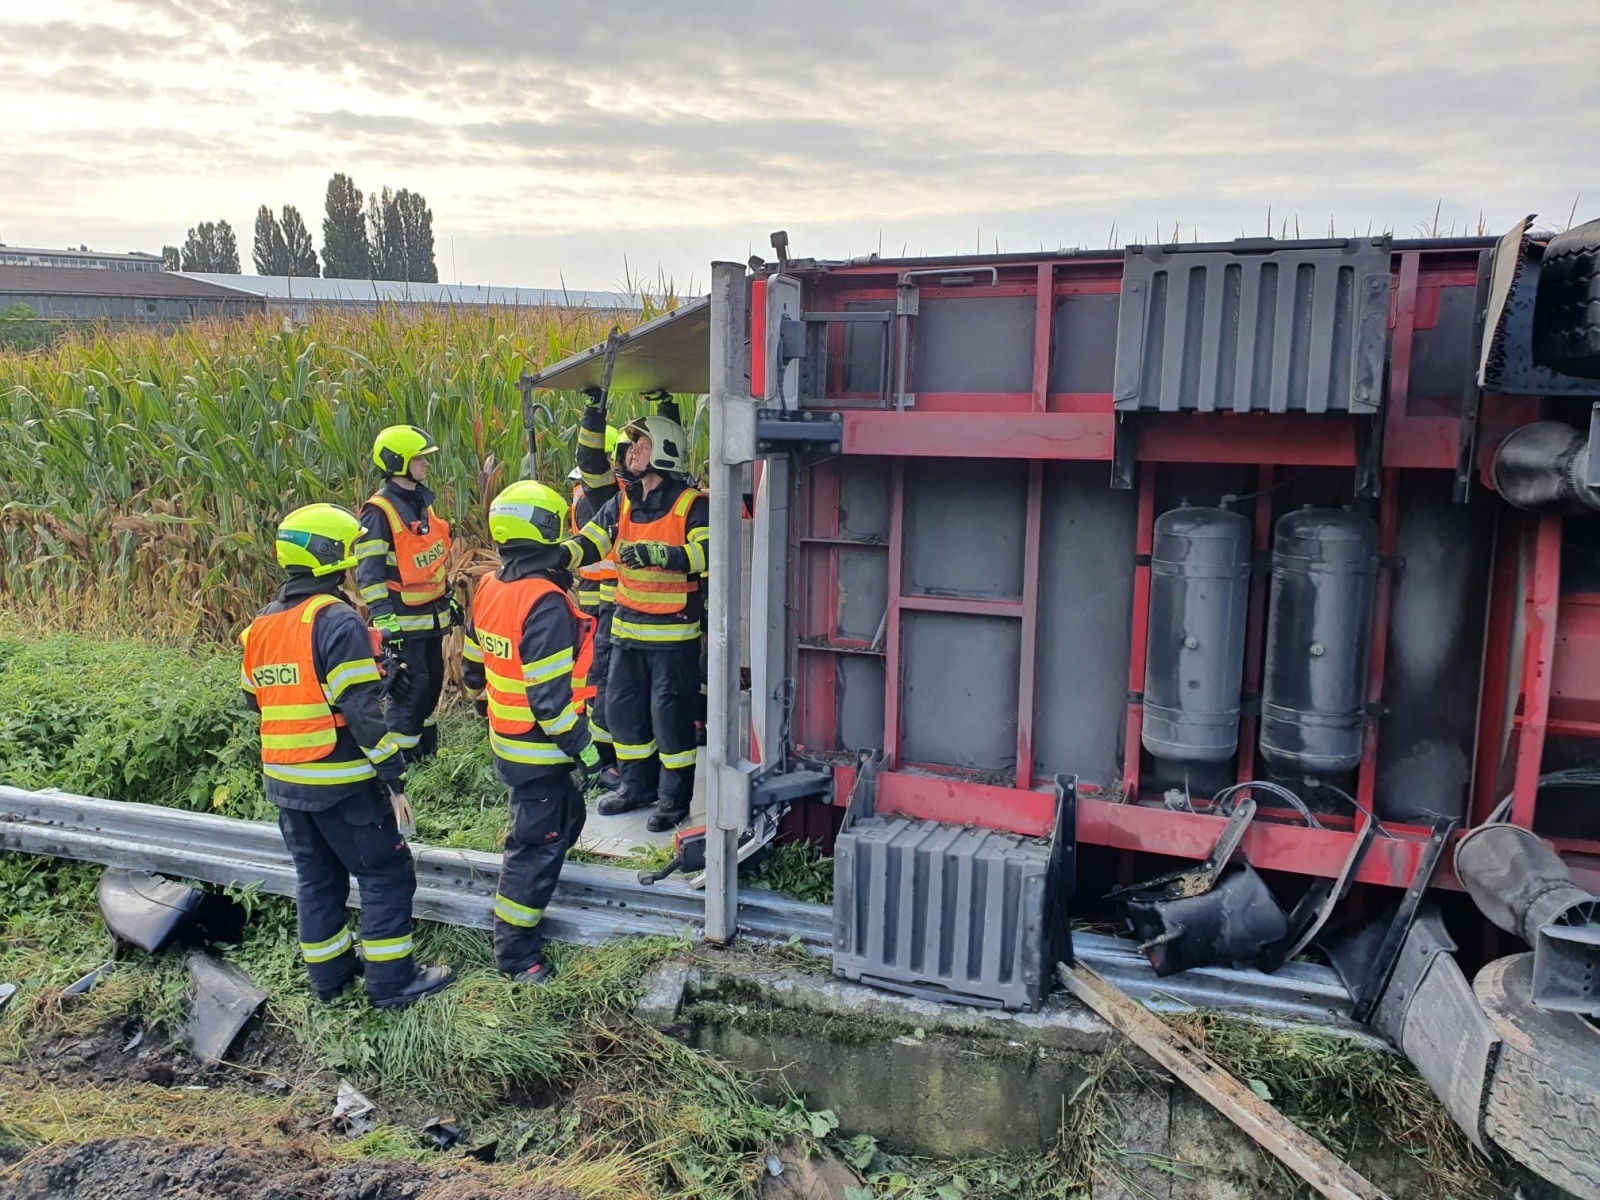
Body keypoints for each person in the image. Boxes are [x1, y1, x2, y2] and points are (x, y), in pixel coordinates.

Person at [240, 503, 454, 1009]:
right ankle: (391, 982)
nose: (355, 558)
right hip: (341, 779)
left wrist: (368, 673)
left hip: (285, 782)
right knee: (386, 874)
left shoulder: (262, 625)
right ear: (330, 555)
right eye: (349, 549)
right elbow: (359, 709)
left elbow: (256, 697)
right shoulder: (336, 619)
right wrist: (393, 775)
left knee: (317, 879)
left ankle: (331, 980)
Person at [462, 481, 604, 984]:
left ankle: (534, 894)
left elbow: (473, 669)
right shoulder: (544, 603)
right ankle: (516, 954)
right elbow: (550, 703)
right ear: (544, 528)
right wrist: (586, 752)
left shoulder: (490, 586)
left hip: (508, 736)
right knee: (535, 845)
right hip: (538, 746)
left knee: (565, 818)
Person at [562, 413, 708, 832]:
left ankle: (673, 799)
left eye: (640, 446)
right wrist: (556, 558)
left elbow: (708, 554)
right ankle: (635, 788)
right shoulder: (625, 499)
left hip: (672, 638)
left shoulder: (692, 503)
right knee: (623, 714)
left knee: (669, 718)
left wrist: (662, 555)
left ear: (664, 451)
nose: (631, 453)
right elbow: (592, 539)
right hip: (626, 631)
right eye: (631, 446)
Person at [356, 425, 455, 762]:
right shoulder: (379, 511)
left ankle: (428, 756)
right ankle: (402, 763)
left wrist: (449, 596)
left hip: (431, 620)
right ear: (398, 462)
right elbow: (368, 573)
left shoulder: (421, 502)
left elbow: (429, 559)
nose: (425, 464)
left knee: (432, 686)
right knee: (410, 691)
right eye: (418, 458)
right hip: (403, 623)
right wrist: (384, 620)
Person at [568, 388, 625, 791]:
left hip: (608, 597)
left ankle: (602, 753)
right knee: (597, 677)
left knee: (602, 678)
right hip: (602, 597)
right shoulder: (605, 497)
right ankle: (599, 757)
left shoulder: (611, 495)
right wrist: (594, 412)